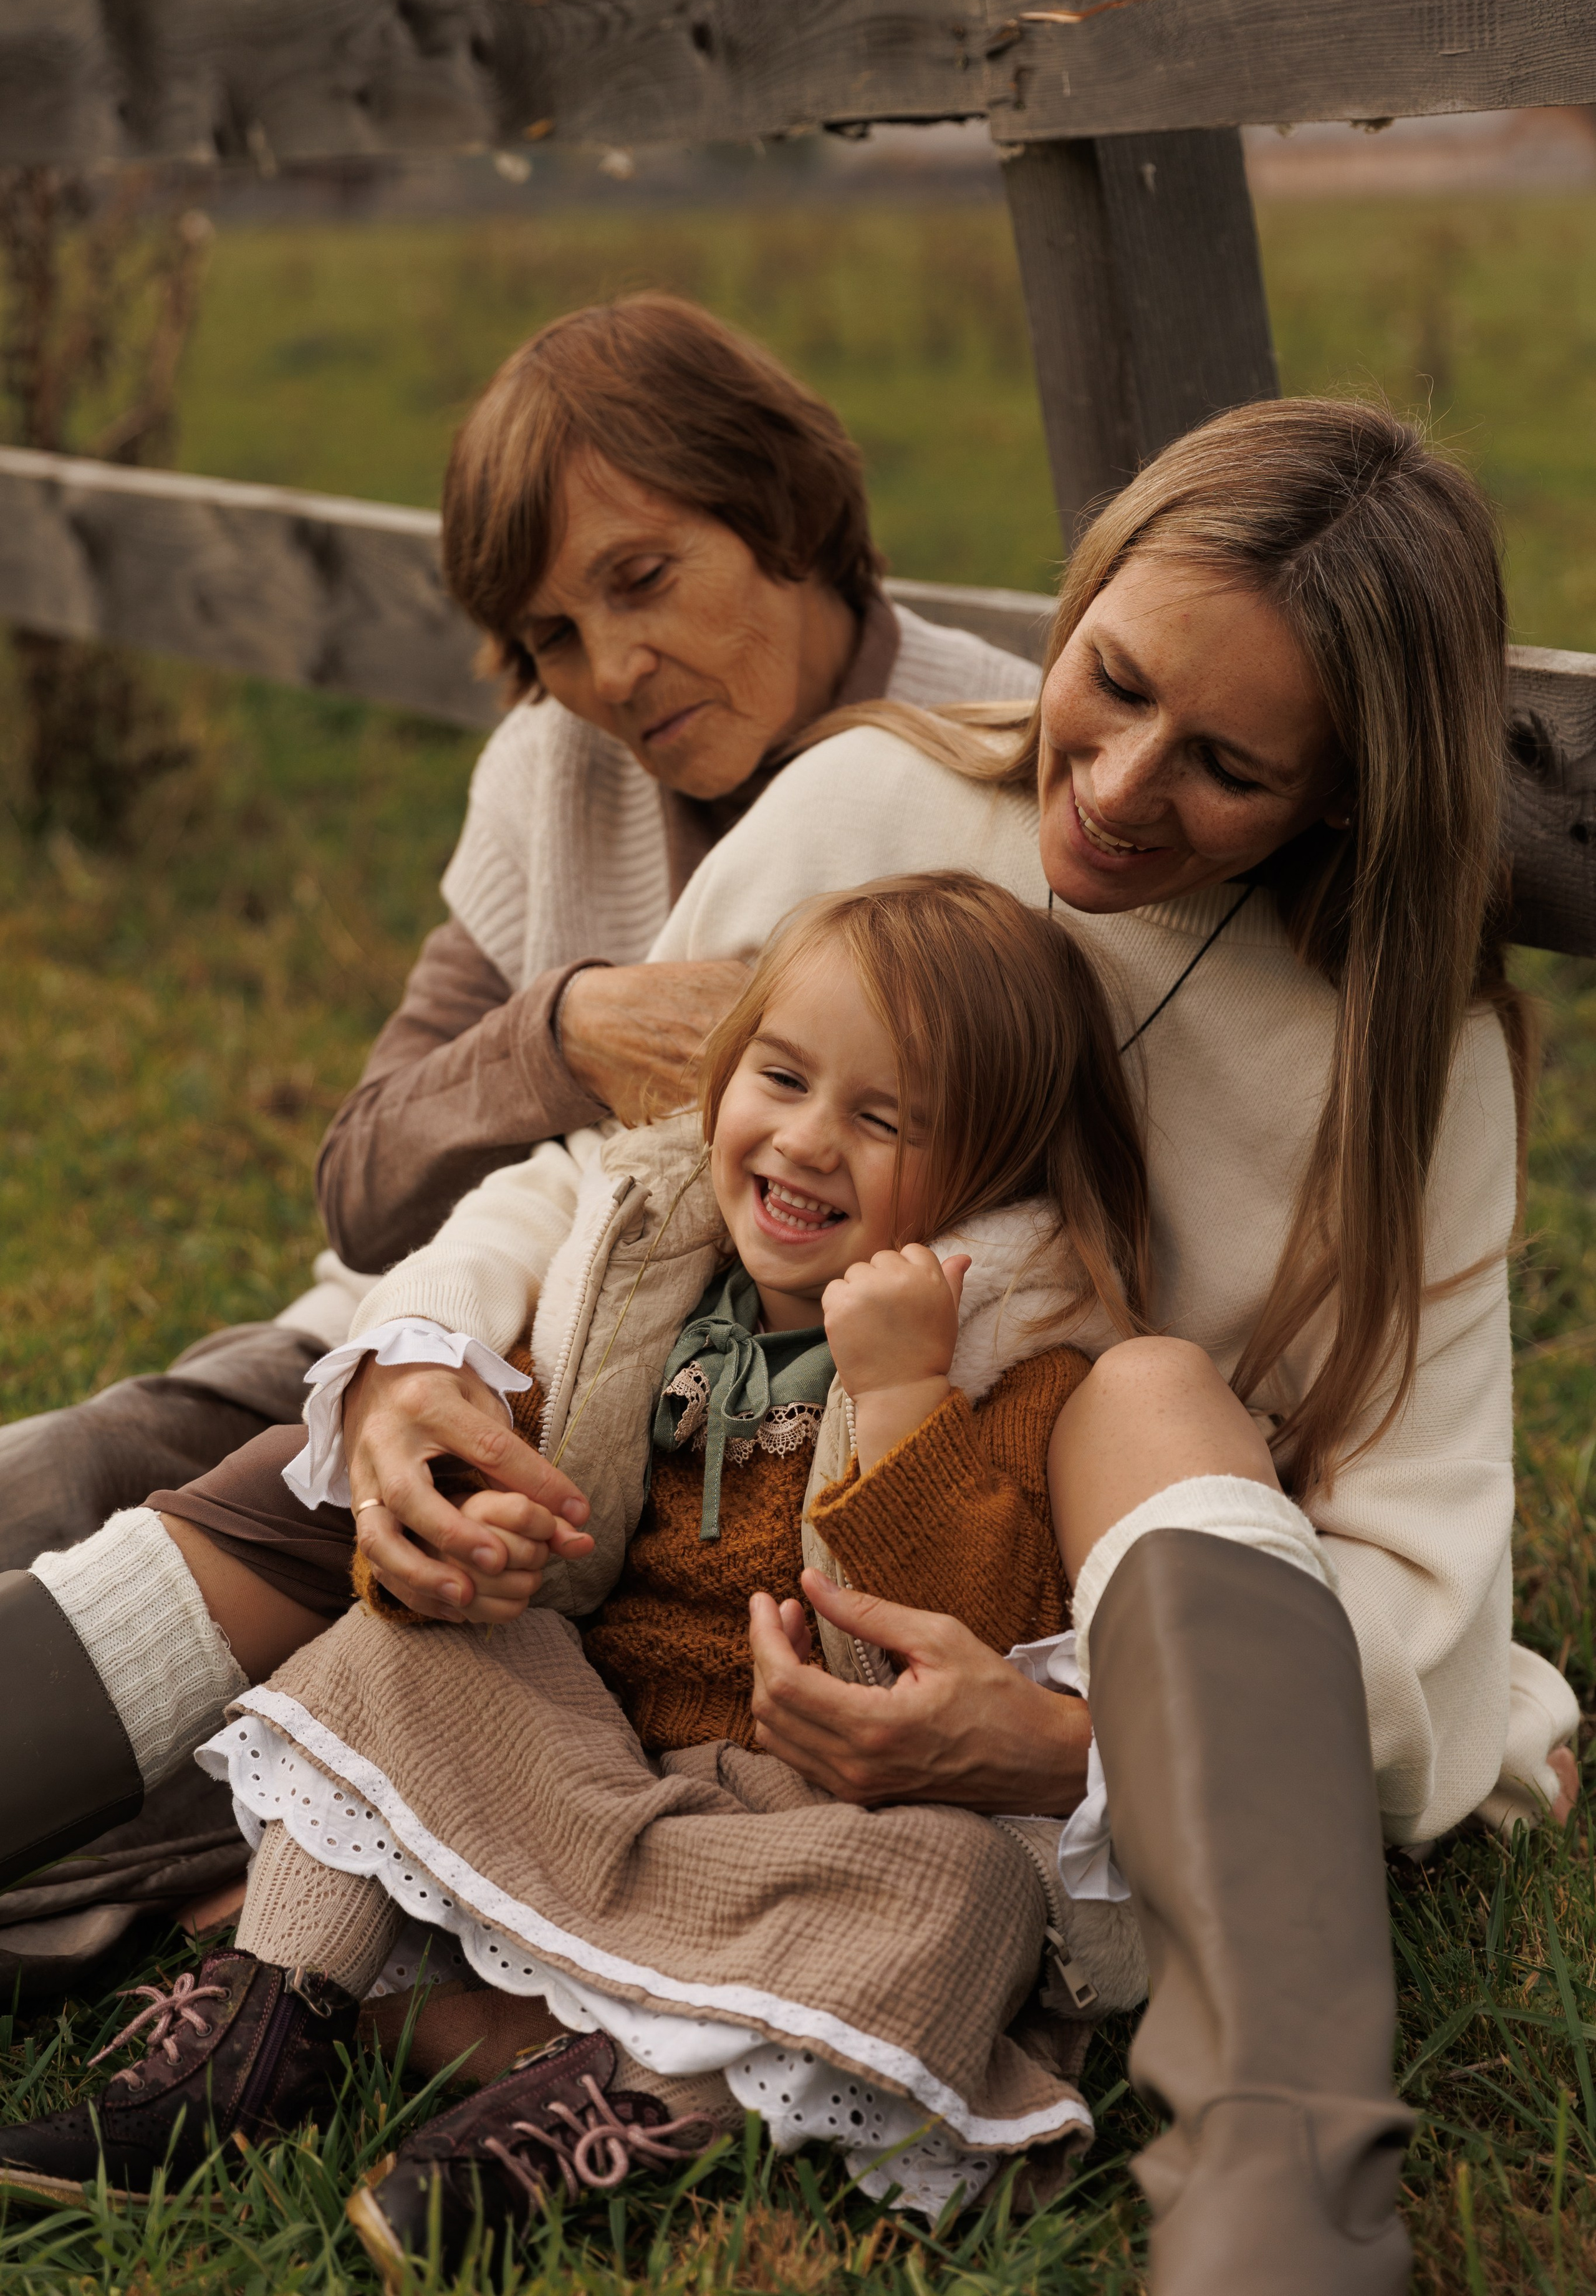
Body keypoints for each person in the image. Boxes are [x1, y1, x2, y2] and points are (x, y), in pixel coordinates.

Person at [6, 397, 1580, 2294]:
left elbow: (1417, 1592)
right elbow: (628, 1186)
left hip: (996, 1657)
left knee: (1144, 1405)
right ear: (1072, 609)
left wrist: (1057, 1739)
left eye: (1230, 765)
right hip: (630, 1535)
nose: (1121, 785)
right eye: (1114, 682)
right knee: (329, 1475)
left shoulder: (1412, 1073)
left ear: (1345, 789)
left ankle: (1284, 2189)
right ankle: (342, 1955)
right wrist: (423, 1369)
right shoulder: (868, 803)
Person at [0, 293, 1037, 1916]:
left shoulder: (994, 772)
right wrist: (562, 1031)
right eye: (554, 634)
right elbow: (363, 1179)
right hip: (433, 1319)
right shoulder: (559, 767)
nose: (611, 673)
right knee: (99, 1452)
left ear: (788, 518)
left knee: (272, 1544)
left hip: (690, 1455)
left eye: (643, 579)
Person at [0, 870, 1156, 2250]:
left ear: (992, 1172)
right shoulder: (646, 1285)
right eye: (778, 1078)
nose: (802, 1141)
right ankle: (256, 2034)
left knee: (964, 1898)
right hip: (586, 1762)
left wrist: (900, 1394)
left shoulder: (1015, 1375)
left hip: (813, 1833)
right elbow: (538, 1509)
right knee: (392, 1640)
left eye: (883, 1119)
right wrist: (466, 1552)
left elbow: (948, 1642)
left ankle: (607, 2109)